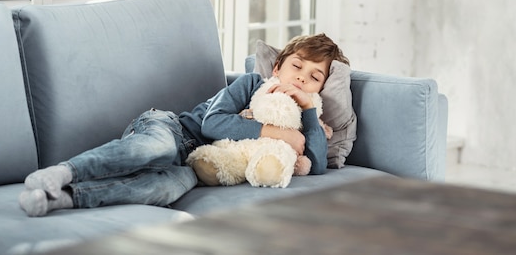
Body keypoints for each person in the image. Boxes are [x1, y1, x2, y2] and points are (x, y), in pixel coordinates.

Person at [19, 33, 350, 217]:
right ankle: (64, 172)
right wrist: (277, 133)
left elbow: (318, 166)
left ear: (320, 88)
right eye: (297, 66)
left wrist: (307, 111)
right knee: (158, 149)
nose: (301, 78)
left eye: (314, 77)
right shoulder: (252, 84)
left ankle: (65, 198)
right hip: (175, 129)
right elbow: (212, 124)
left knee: (165, 188)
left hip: (192, 165)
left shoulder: (308, 117)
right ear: (277, 67)